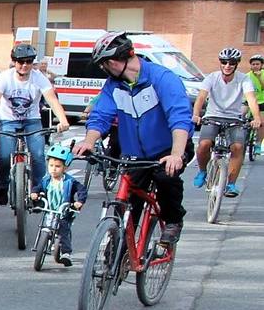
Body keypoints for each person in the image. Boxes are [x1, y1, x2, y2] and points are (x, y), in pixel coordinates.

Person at [74, 31, 191, 245]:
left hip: (169, 147)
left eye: (103, 65)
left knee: (166, 177)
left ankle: (173, 221)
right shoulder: (113, 85)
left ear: (114, 62)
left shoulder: (162, 78)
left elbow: (180, 118)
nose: (103, 70)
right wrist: (89, 141)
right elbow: (101, 116)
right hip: (135, 153)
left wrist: (176, 154)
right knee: (127, 204)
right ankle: (116, 256)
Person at [0, 42, 69, 206]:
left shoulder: (39, 78)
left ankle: (38, 192)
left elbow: (52, 100)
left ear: (33, 63)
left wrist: (63, 120)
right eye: (20, 61)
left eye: (29, 62)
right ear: (14, 62)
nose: (25, 65)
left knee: (38, 156)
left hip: (32, 121)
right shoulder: (5, 77)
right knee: (4, 157)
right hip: (8, 121)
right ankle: (3, 186)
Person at [191, 47, 261, 199]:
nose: (227, 65)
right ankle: (202, 171)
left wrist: (257, 118)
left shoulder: (244, 79)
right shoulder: (212, 77)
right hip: (212, 116)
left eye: (232, 62)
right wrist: (196, 114)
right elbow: (201, 98)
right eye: (224, 62)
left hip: (234, 118)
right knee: (204, 144)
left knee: (238, 147)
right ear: (220, 63)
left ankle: (230, 184)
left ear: (237, 64)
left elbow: (251, 99)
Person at [28, 143, 87, 266]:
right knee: (46, 227)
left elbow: (81, 190)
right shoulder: (46, 180)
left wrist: (79, 201)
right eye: (51, 166)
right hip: (50, 210)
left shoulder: (69, 181)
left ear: (65, 168)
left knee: (63, 231)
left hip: (64, 212)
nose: (53, 169)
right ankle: (43, 244)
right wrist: (34, 193)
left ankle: (66, 253)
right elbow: (37, 187)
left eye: (58, 166)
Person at [248, 54, 264, 155]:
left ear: (261, 65)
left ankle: (258, 144)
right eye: (253, 64)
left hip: (262, 101)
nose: (255, 66)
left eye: (257, 64)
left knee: (262, 123)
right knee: (240, 116)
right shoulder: (247, 75)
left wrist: (259, 78)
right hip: (249, 100)